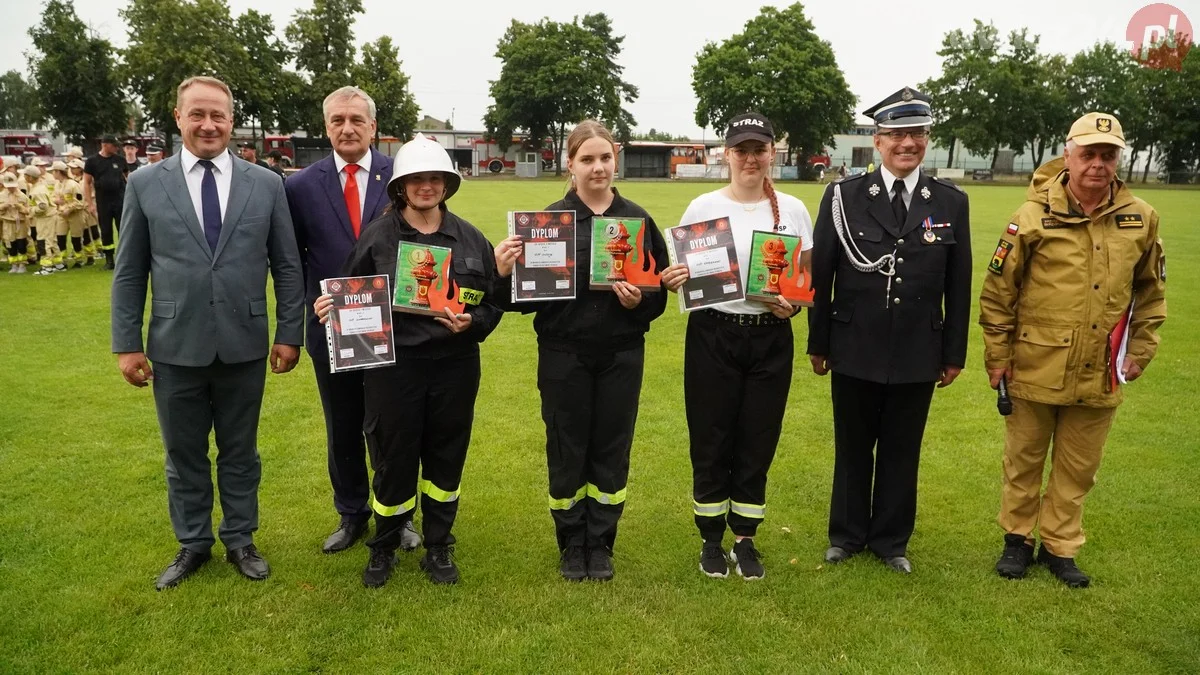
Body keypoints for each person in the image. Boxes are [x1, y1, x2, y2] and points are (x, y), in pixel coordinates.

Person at [110, 76, 305, 591]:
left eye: (218, 115)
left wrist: (291, 333)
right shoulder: (145, 184)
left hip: (245, 342)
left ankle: (240, 537)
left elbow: (287, 267)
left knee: (241, 451)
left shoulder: (266, 184)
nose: (208, 124)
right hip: (174, 346)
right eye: (197, 114)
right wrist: (126, 343)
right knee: (183, 454)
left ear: (231, 120)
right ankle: (193, 543)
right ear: (178, 118)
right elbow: (130, 272)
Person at [979, 112, 1167, 588]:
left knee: (1078, 465)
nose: (1098, 165)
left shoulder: (1141, 218)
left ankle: (1060, 547)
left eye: (1108, 155)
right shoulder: (1030, 217)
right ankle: (1016, 541)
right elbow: (999, 293)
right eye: (1089, 154)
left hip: (1100, 368)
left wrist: (1141, 348)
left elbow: (1152, 292)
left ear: (1118, 159)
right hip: (1034, 363)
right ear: (1069, 154)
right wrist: (997, 357)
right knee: (1023, 459)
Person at [314, 134, 503, 587]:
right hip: (393, 369)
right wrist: (331, 309)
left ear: (447, 184)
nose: (426, 186)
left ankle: (438, 545)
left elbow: (491, 301)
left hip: (455, 367)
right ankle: (384, 545)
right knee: (393, 458)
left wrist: (473, 323)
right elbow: (352, 294)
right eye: (416, 179)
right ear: (400, 187)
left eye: (435, 178)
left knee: (445, 457)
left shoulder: (471, 238)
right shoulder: (377, 237)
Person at [493, 120, 669, 582]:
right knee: (567, 448)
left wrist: (639, 302)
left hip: (621, 355)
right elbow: (514, 301)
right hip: (563, 355)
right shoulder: (545, 224)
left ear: (616, 160)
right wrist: (504, 270)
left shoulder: (638, 221)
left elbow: (658, 296)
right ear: (569, 164)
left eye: (605, 158)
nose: (598, 167)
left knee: (612, 448)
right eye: (587, 159)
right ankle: (572, 541)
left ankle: (601, 541)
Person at [807, 87, 972, 575]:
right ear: (877, 141)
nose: (908, 143)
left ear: (927, 140)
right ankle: (847, 535)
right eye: (897, 134)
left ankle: (891, 541)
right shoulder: (844, 197)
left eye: (917, 134)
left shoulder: (949, 202)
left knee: (903, 449)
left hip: (918, 348)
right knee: (852, 446)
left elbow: (958, 284)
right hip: (854, 342)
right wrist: (818, 342)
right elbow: (823, 274)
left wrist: (954, 352)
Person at [660, 112, 813, 580]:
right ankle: (710, 539)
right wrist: (673, 281)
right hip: (713, 332)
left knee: (757, 438)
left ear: (772, 153)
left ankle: (745, 538)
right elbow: (683, 275)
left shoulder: (793, 209)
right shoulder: (702, 206)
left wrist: (795, 305)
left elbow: (802, 277)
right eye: (741, 150)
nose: (750, 158)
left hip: (769, 337)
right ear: (726, 154)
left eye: (759, 149)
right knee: (711, 436)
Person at [285, 86, 416, 556]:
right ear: (326, 126)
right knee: (342, 425)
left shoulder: (400, 178)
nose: (347, 127)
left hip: (396, 330)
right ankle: (352, 513)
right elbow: (290, 259)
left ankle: (398, 516)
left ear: (373, 127)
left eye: (357, 120)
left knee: (393, 426)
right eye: (338, 119)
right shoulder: (299, 186)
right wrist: (311, 303)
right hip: (330, 329)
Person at [83, 135, 125, 269]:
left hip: (120, 200)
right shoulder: (92, 161)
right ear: (105, 145)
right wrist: (90, 204)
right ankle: (109, 260)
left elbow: (128, 178)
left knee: (123, 229)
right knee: (106, 230)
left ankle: (125, 259)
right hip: (103, 201)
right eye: (114, 145)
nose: (117, 148)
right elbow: (87, 183)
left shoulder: (120, 160)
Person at [25, 165, 62, 276]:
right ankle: (59, 264)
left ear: (31, 177)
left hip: (45, 217)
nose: (24, 177)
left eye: (25, 175)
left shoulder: (38, 190)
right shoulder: (39, 186)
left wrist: (30, 210)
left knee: (43, 240)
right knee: (52, 240)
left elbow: (42, 207)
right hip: (48, 216)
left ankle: (47, 266)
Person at [1, 172, 30, 273]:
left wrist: (20, 207)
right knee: (10, 244)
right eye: (8, 186)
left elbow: (28, 211)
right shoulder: (1, 195)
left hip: (20, 223)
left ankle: (22, 264)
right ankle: (14, 264)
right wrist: (3, 206)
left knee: (21, 244)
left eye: (12, 186)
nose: (10, 188)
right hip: (7, 223)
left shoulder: (22, 196)